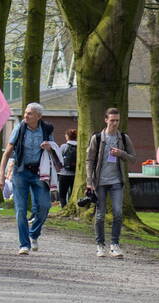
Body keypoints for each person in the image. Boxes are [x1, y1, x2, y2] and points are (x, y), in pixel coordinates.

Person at [0, 103, 54, 255]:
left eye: (30, 114)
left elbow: (54, 150)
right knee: (21, 210)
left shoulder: (46, 129)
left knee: (45, 206)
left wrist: (50, 147)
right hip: (20, 172)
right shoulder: (19, 128)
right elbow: (7, 153)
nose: (26, 116)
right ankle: (24, 244)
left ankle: (33, 234)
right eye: (26, 113)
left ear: (38, 116)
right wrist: (1, 175)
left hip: (40, 173)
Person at [86, 108, 136, 259]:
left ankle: (114, 245)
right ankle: (100, 245)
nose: (115, 123)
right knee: (100, 215)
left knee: (118, 213)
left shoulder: (123, 138)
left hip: (116, 182)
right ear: (106, 120)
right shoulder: (97, 137)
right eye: (112, 120)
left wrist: (121, 154)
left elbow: (133, 159)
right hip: (100, 182)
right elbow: (89, 160)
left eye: (117, 120)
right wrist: (89, 182)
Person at [57, 128, 78, 207]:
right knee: (72, 193)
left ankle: (64, 207)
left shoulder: (64, 146)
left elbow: (58, 158)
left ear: (67, 136)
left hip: (64, 174)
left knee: (62, 194)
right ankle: (71, 206)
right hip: (75, 175)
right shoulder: (79, 147)